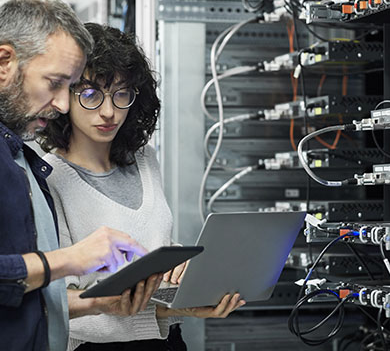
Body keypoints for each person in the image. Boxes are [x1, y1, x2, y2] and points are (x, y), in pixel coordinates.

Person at [0, 0, 160, 351]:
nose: (62, 104)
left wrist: (95, 303)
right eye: (55, 82)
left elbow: (13, 293)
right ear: (4, 61)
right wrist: (70, 259)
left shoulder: (12, 147)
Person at [38, 23, 245, 351]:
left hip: (169, 342)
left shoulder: (144, 160)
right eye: (91, 94)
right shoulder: (49, 178)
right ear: (64, 96)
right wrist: (170, 311)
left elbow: (154, 244)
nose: (109, 111)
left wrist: (181, 269)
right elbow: (61, 305)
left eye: (121, 94)